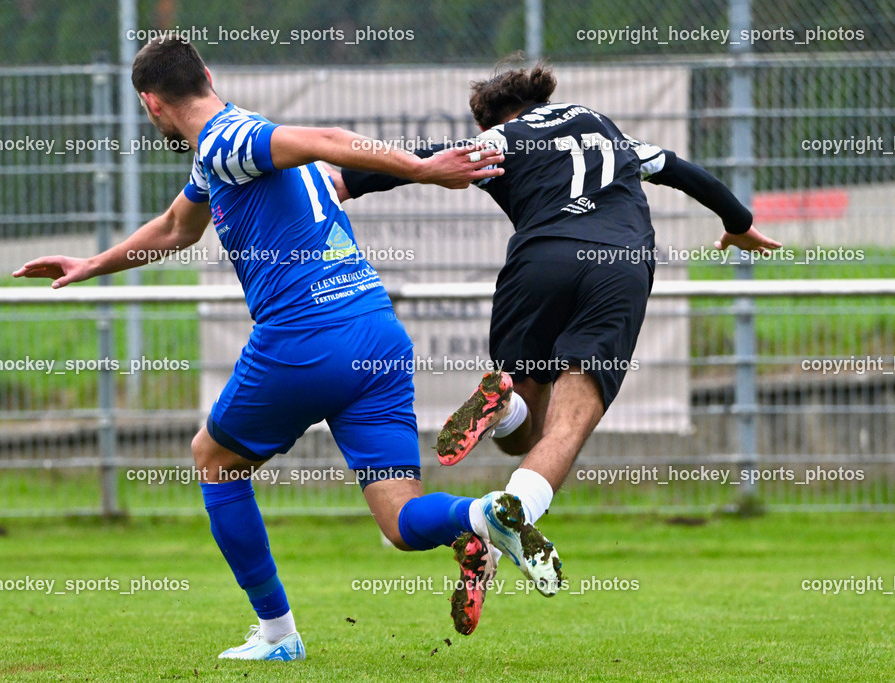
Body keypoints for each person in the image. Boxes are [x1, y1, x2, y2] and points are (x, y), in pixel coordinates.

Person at [13, 38, 557, 659]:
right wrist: (92, 264)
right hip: (376, 335)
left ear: (151, 104)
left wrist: (425, 169)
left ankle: (278, 634)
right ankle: (485, 516)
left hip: (307, 339)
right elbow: (174, 228)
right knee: (400, 522)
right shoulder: (220, 157)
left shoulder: (226, 140)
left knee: (214, 459)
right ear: (207, 74)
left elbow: (329, 138)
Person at [333, 57, 783, 625]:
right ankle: (512, 504)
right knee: (566, 426)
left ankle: (504, 409)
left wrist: (344, 183)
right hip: (617, 264)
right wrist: (738, 223)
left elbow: (422, 162)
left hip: (540, 261)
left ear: (488, 121)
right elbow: (683, 171)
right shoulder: (609, 132)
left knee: (521, 429)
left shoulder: (500, 139)